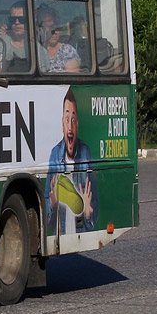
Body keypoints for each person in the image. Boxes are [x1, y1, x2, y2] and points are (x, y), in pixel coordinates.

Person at [46, 88, 96, 234]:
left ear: (77, 124)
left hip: (80, 229)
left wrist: (88, 213)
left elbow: (94, 199)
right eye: (67, 119)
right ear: (62, 124)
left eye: (73, 119)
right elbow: (46, 201)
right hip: (61, 229)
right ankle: (66, 190)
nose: (70, 125)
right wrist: (53, 203)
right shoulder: (55, 154)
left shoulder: (85, 152)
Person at [36, 4, 81, 73]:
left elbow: (73, 76)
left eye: (57, 28)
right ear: (40, 30)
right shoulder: (35, 51)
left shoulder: (67, 50)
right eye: (50, 28)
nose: (55, 32)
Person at [0, 0, 31, 72]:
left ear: (29, 20)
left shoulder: (36, 47)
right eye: (13, 19)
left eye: (21, 19)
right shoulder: (1, 44)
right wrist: (4, 38)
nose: (17, 22)